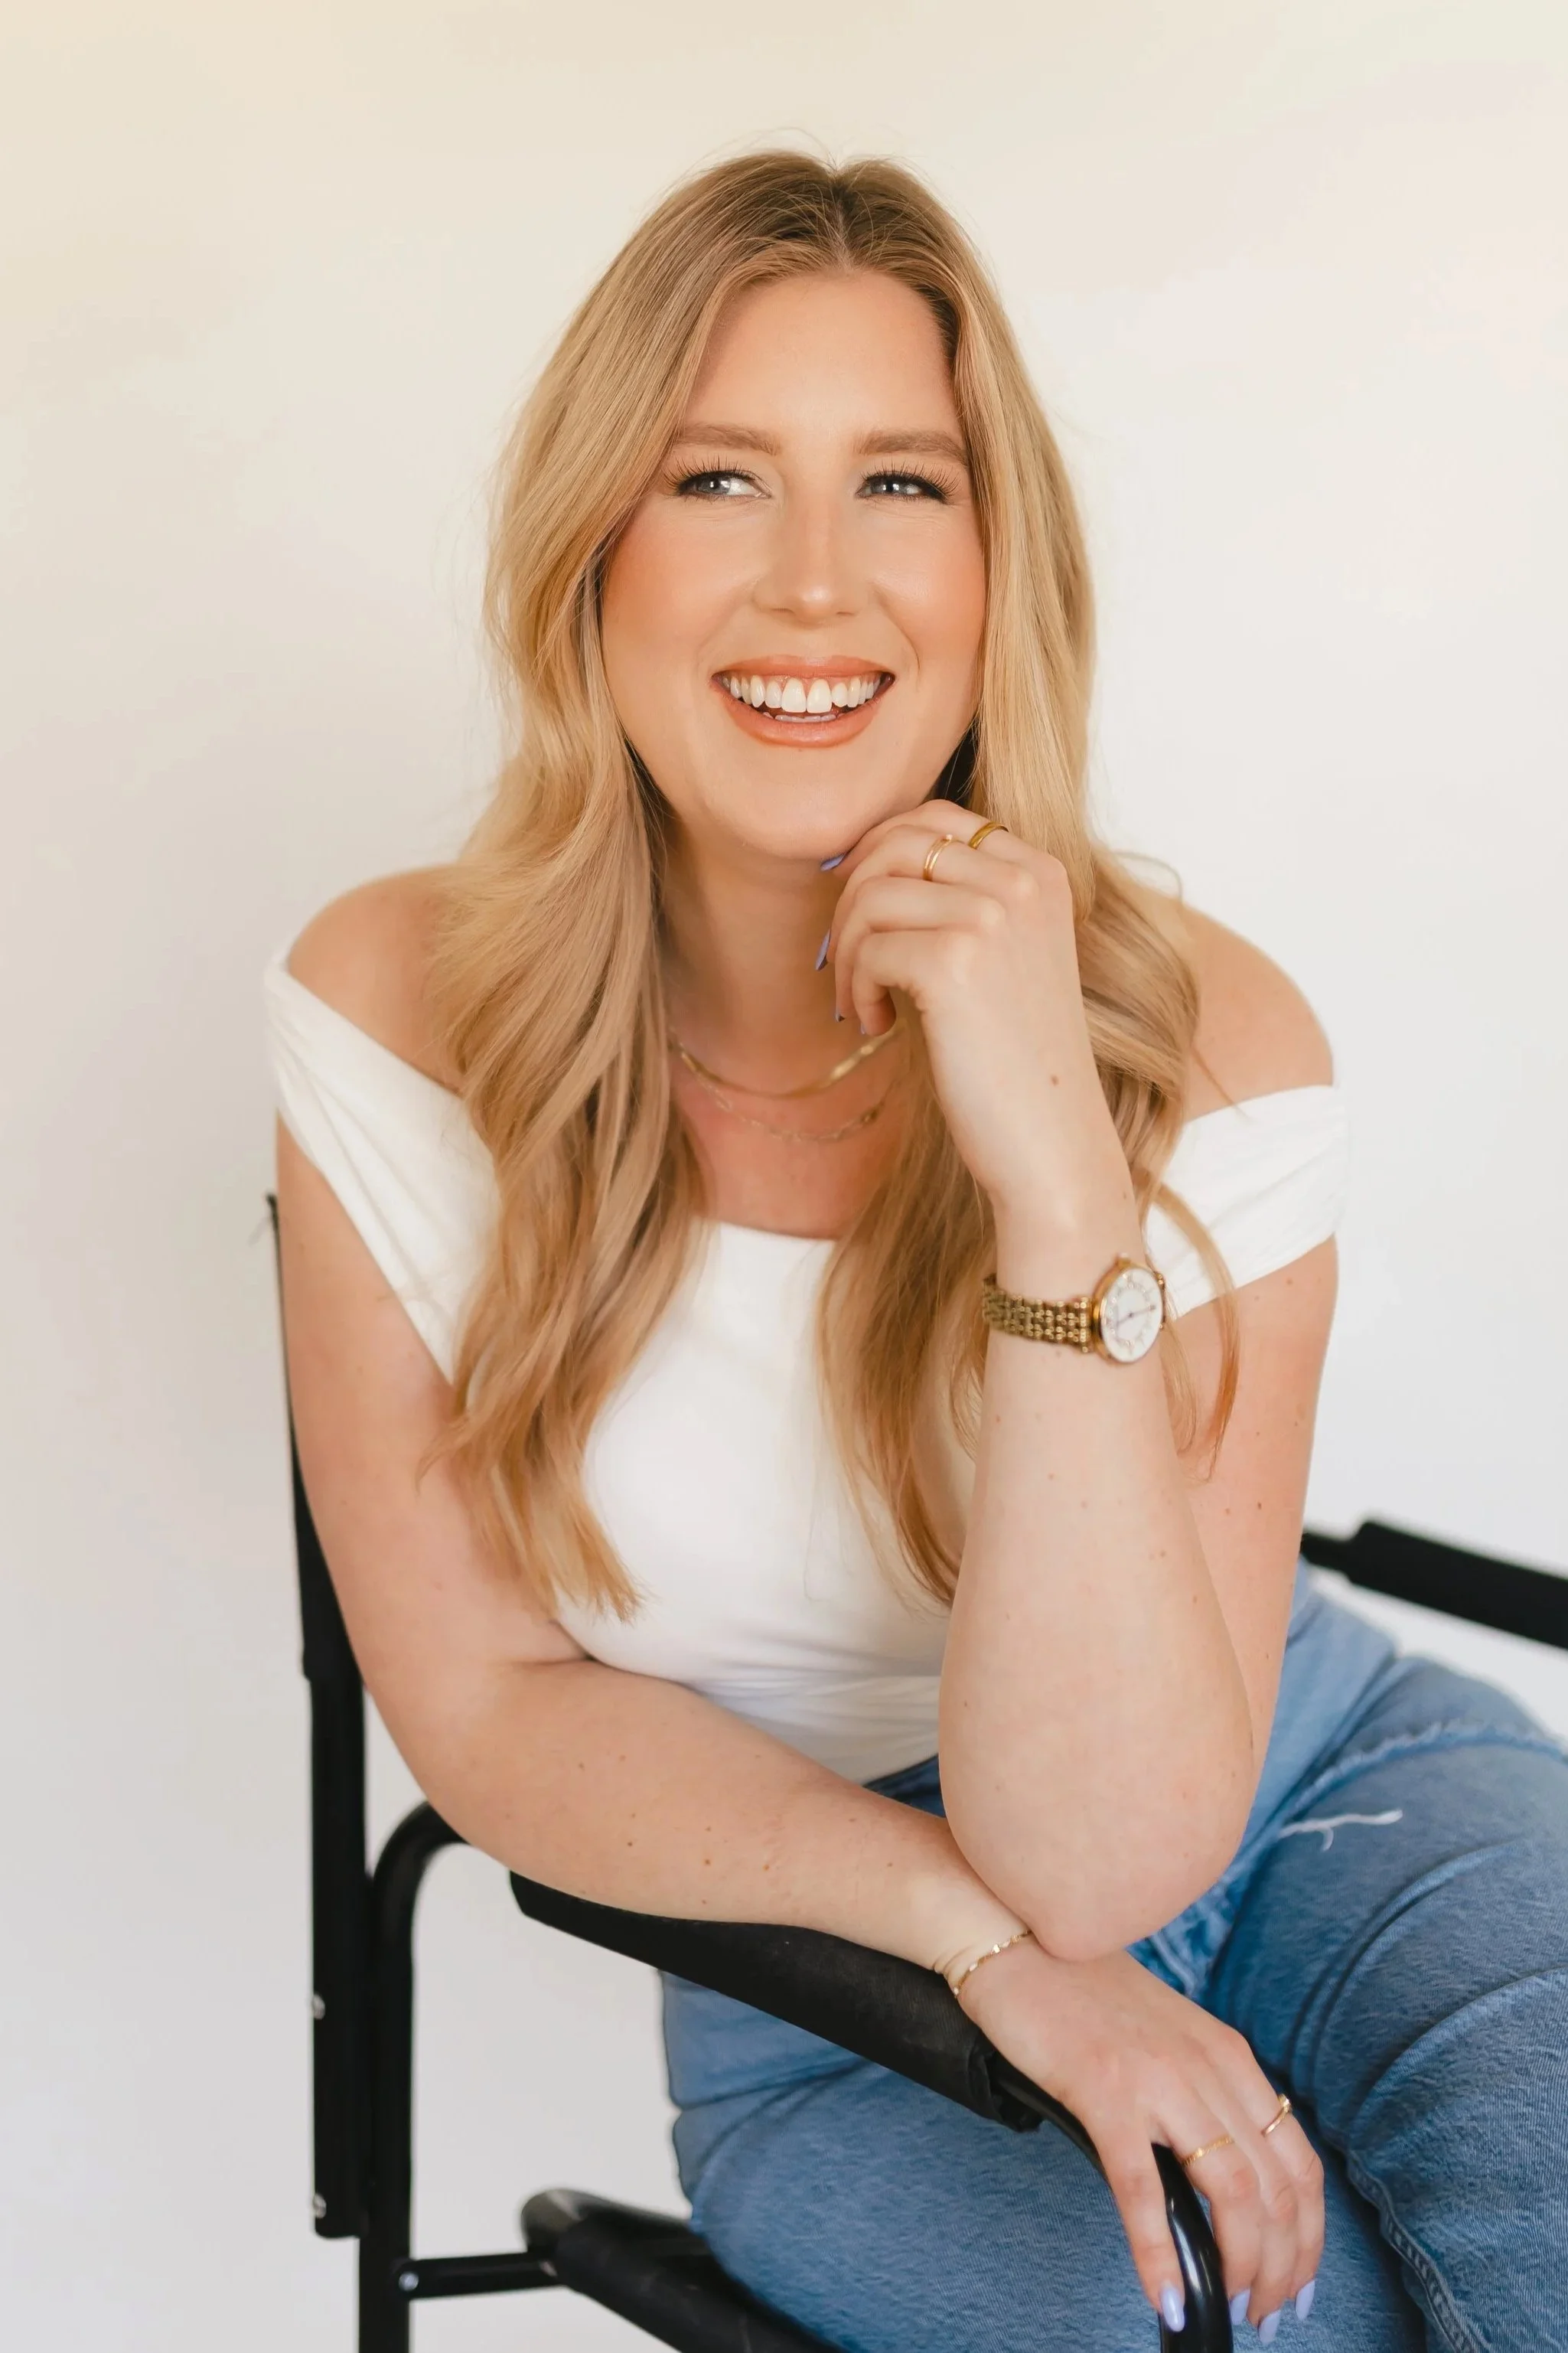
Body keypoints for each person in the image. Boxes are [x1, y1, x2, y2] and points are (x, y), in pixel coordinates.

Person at [266, 152, 1568, 2353]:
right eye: (714, 480)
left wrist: (1057, 1179)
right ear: (591, 552)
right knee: (1257, 2333)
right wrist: (983, 1948)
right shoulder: (398, 1009)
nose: (812, 585)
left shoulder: (1216, 1037)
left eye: (900, 481)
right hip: (819, 1963)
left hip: (1321, 1786)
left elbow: (1125, 1835)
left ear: (997, 568)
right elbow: (487, 1702)